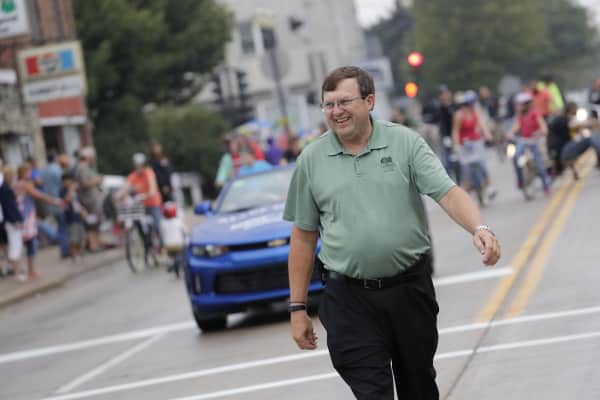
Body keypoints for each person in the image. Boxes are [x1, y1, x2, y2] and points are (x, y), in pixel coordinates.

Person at [283, 66, 500, 399]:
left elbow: (447, 192)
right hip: (348, 299)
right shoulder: (311, 160)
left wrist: (479, 228)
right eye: (329, 104)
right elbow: (303, 236)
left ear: (369, 101)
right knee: (372, 392)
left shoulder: (404, 142)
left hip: (408, 291)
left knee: (419, 386)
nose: (336, 111)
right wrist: (297, 308)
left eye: (344, 102)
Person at [15, 162, 64, 281]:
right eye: (28, 171)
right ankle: (28, 271)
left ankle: (29, 270)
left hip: (27, 217)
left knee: (29, 243)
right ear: (23, 173)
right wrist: (55, 201)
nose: (30, 173)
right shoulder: (24, 184)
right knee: (30, 243)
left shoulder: (22, 184)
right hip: (26, 218)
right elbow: (39, 195)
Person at [451, 90, 497, 199]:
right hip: (464, 145)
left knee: (482, 165)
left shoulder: (476, 112)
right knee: (465, 170)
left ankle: (489, 187)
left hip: (476, 142)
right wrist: (456, 145)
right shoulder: (459, 115)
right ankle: (464, 194)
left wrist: (488, 136)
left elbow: (482, 125)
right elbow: (455, 131)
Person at [507, 92, 551, 194]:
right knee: (515, 156)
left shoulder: (535, 114)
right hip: (524, 141)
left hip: (535, 141)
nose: (518, 107)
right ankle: (520, 179)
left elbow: (543, 126)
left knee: (539, 163)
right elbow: (516, 126)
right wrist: (509, 133)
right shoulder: (520, 116)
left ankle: (545, 183)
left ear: (526, 105)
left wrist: (541, 131)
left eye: (520, 104)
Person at [116, 153, 163, 240]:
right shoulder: (133, 176)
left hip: (153, 203)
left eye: (140, 165)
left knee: (158, 225)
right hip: (141, 205)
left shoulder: (149, 173)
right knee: (138, 223)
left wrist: (148, 194)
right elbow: (125, 188)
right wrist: (117, 196)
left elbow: (152, 188)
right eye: (136, 165)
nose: (138, 167)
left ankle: (161, 242)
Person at [74, 147, 103, 252]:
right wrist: (97, 180)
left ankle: (96, 243)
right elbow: (84, 183)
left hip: (90, 199)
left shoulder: (84, 167)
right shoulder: (82, 168)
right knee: (92, 223)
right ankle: (93, 245)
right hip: (89, 200)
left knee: (94, 222)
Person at [42, 152, 69, 258]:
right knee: (64, 227)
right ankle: (66, 250)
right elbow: (64, 183)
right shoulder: (57, 170)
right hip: (60, 201)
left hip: (51, 203)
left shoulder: (44, 171)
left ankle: (64, 249)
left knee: (60, 227)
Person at [0, 166, 22, 278]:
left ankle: (11, 269)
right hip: (10, 222)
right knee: (14, 246)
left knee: (9, 246)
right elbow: (9, 207)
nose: (13, 177)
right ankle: (16, 272)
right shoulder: (5, 189)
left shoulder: (5, 188)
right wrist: (15, 220)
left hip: (7, 220)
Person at [60, 172, 87, 262]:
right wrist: (71, 189)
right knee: (73, 238)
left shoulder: (75, 190)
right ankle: (74, 255)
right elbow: (66, 200)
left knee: (81, 237)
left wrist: (83, 210)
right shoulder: (63, 190)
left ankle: (79, 253)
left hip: (78, 215)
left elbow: (77, 202)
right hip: (71, 218)